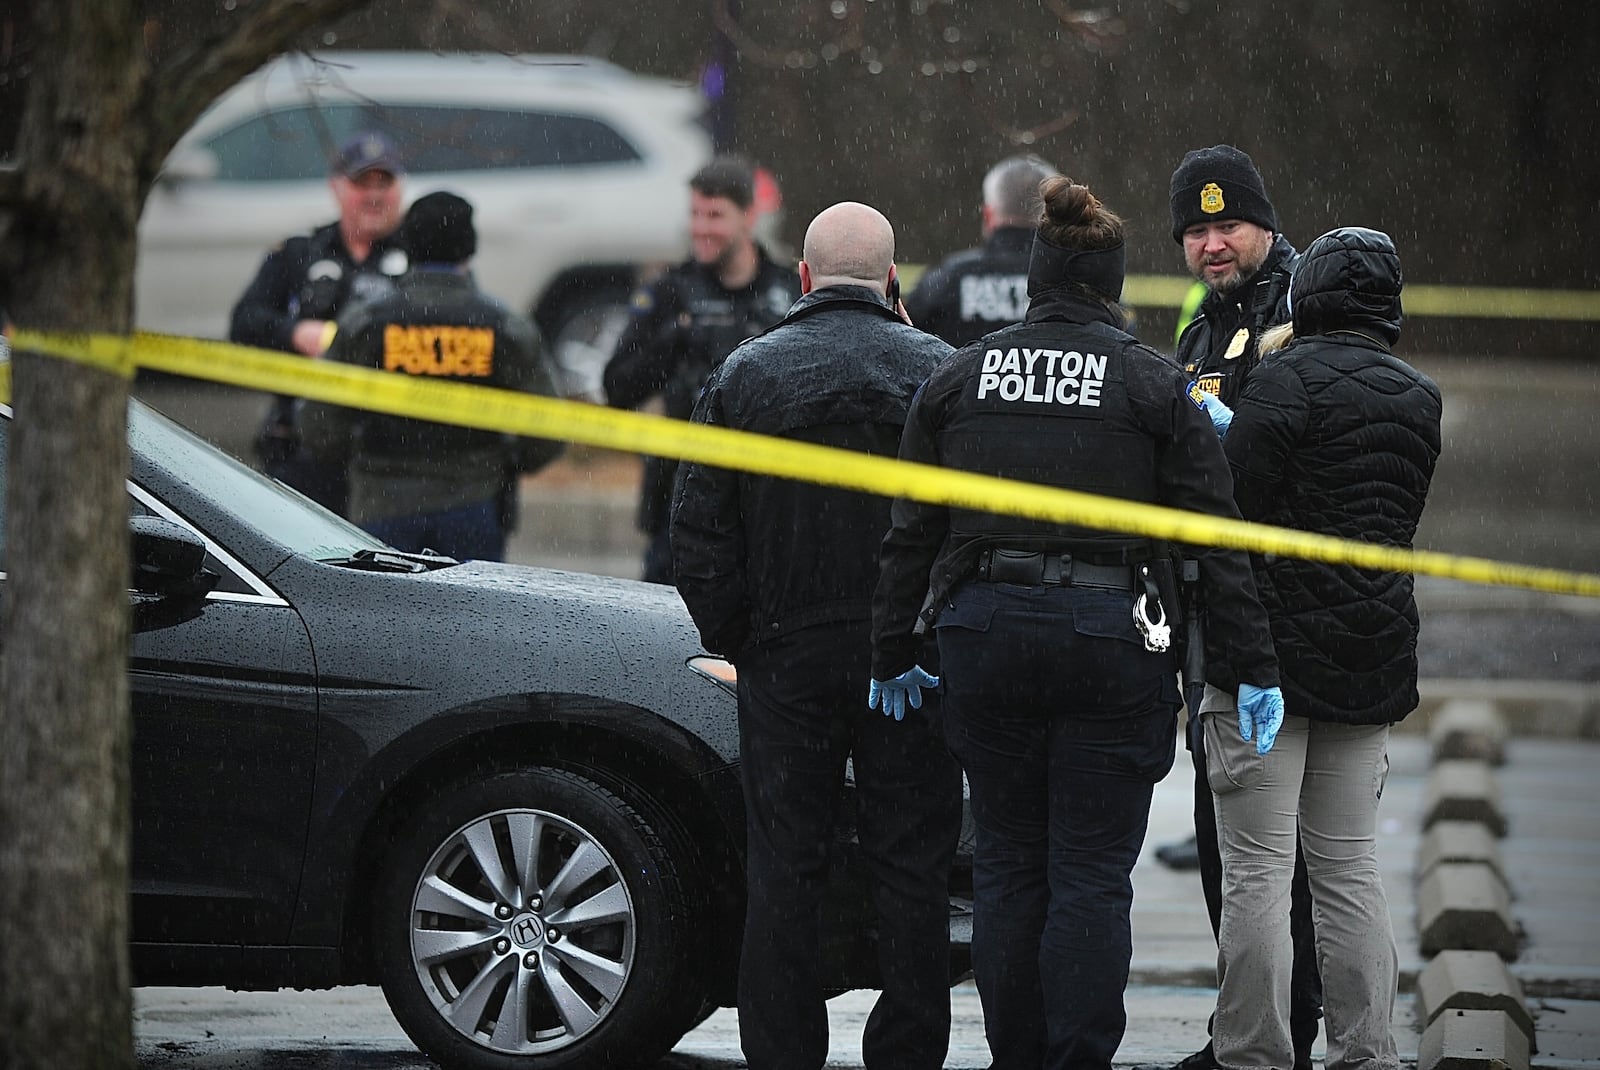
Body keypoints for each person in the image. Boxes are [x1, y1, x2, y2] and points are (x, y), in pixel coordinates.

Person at [869, 176, 1282, 1070]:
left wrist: (892, 646)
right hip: (1109, 641)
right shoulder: (1152, 385)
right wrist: (1252, 665)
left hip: (983, 640)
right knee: (1091, 875)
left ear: (1033, 281)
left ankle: (1018, 1056)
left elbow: (912, 530)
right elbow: (1217, 540)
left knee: (1011, 868)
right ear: (1113, 287)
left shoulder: (958, 376)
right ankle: (1077, 1059)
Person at [671, 202, 962, 1070]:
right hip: (909, 659)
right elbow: (972, 525)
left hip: (786, 657)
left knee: (785, 866)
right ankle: (907, 1049)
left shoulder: (744, 375)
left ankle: (784, 1050)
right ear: (894, 279)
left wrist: (742, 639)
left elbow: (698, 530)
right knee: (912, 867)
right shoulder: (941, 373)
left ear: (801, 278)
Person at [1197, 226, 1442, 1070]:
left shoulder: (1282, 383)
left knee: (1258, 875)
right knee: (1349, 873)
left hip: (1268, 662)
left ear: (1309, 297)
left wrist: (1224, 432)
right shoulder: (1421, 398)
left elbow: (1229, 517)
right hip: (1369, 664)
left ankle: (1254, 1054)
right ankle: (1365, 1052)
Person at [1164, 142, 1323, 1070]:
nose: (1213, 244)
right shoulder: (1208, 321)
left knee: (1281, 862)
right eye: (1197, 230)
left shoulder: (1299, 308)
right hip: (1216, 618)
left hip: (1277, 619)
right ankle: (1249, 1037)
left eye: (1228, 226)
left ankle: (1276, 1044)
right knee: (1230, 853)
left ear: (1264, 222)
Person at [300, 191, 563, 561]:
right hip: (474, 506)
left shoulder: (367, 322)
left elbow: (318, 424)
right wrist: (501, 461)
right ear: (469, 249)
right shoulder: (503, 326)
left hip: (381, 504)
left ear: (407, 245)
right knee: (468, 618)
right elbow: (550, 430)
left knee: (382, 618)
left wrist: (363, 455)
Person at [603, 154, 802, 584]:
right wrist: (674, 340)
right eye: (695, 214)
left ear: (749, 216)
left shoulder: (787, 291)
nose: (701, 228)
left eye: (715, 215)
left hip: (766, 506)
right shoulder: (671, 292)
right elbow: (616, 388)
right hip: (679, 505)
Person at [229, 131, 411, 513]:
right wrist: (295, 332)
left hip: (391, 455)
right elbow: (245, 322)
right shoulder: (300, 253)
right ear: (337, 188)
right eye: (362, 182)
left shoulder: (421, 254)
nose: (375, 195)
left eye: (386, 182)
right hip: (302, 446)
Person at [903, 154, 1059, 346]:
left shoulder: (947, 279)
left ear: (988, 214)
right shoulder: (1073, 284)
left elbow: (909, 342)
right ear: (1053, 216)